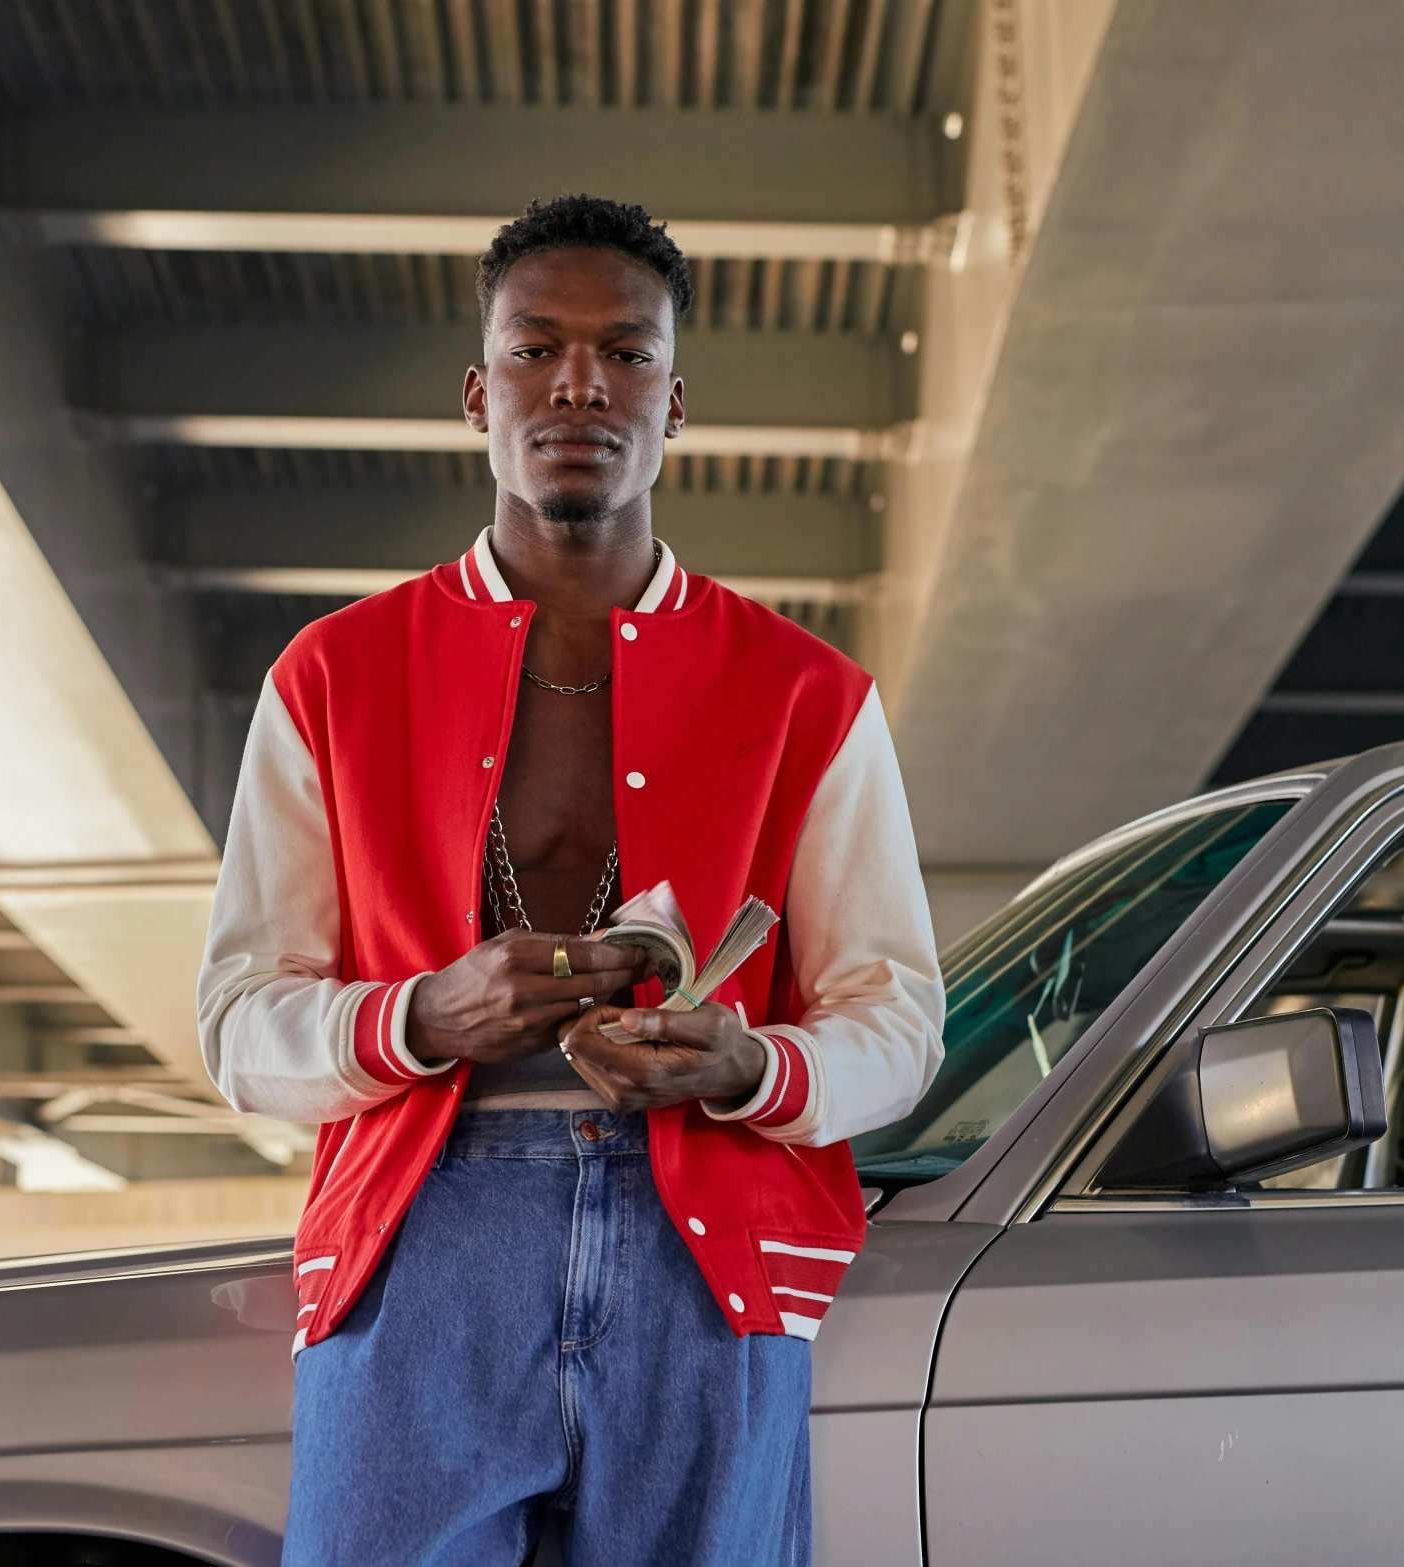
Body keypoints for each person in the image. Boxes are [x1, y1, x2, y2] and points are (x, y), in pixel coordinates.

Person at [198, 194, 944, 1567]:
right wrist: (422, 1017)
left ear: (676, 401)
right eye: (537, 350)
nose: (581, 385)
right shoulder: (332, 676)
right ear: (478, 394)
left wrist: (744, 1066)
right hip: (423, 1234)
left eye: (626, 353)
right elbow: (239, 1023)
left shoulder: (806, 693)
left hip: (707, 1247)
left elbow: (896, 1022)